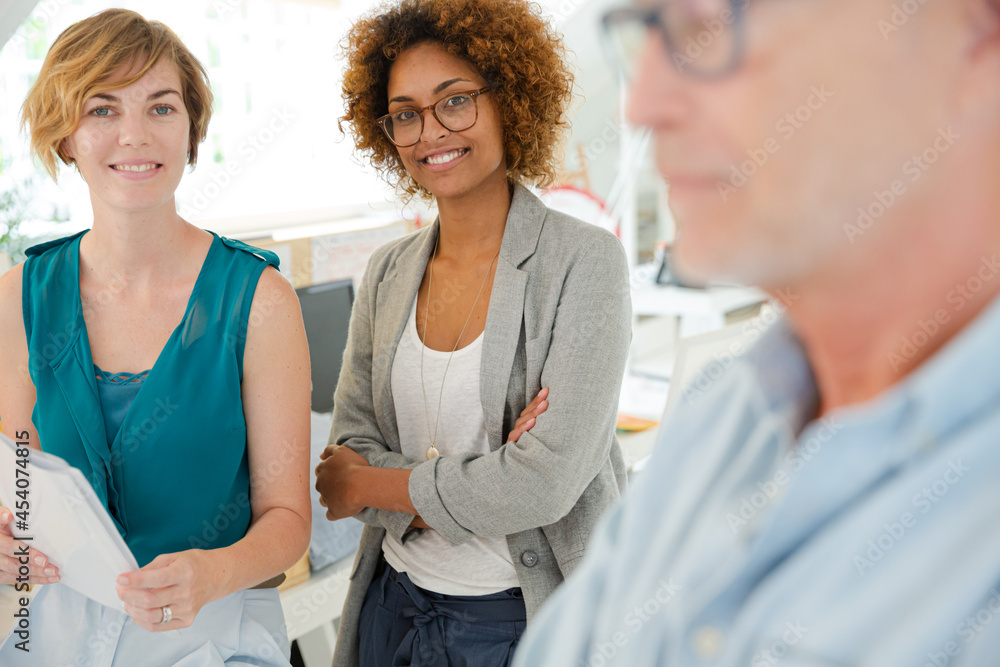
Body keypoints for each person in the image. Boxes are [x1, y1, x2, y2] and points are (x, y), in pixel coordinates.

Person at [514, 0, 1000, 665]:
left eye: (712, 23)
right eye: (647, 30)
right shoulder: (722, 419)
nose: (642, 105)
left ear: (980, 33)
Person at [313, 0, 632, 664]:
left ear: (508, 100)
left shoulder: (584, 261)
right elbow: (349, 445)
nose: (430, 131)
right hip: (391, 604)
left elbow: (543, 485)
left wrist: (371, 485)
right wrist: (490, 479)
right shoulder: (387, 271)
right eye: (405, 113)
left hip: (515, 618)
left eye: (455, 101)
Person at [0, 9, 311, 664]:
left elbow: (287, 520)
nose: (135, 134)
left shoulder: (259, 299)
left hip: (212, 634)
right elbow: (24, 488)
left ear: (191, 130)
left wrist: (214, 572)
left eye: (161, 108)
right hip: (57, 635)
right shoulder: (18, 298)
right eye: (102, 109)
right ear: (65, 136)